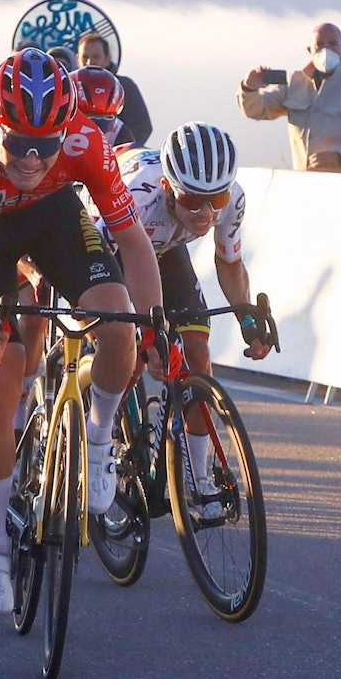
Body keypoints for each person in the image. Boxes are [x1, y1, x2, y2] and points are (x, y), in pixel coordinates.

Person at [0, 48, 164, 612]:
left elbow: (133, 240)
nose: (32, 159)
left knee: (120, 325)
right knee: (2, 381)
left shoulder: (84, 140)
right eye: (18, 144)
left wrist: (152, 324)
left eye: (46, 146)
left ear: (67, 131)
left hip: (54, 219)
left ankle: (99, 440)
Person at [88, 123, 273, 519]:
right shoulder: (140, 194)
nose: (207, 213)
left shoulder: (233, 199)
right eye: (194, 201)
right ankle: (102, 438)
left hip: (165, 247)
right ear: (170, 188)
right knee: (131, 359)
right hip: (114, 246)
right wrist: (142, 338)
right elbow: (109, 270)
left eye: (215, 200)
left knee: (197, 354)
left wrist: (248, 321)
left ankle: (199, 480)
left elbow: (230, 263)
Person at [238, 22, 341, 174]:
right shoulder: (294, 84)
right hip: (308, 185)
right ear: (310, 50)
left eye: (332, 44)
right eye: (319, 45)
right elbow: (257, 110)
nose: (326, 50)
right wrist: (249, 88)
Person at [77, 32, 153, 145]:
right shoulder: (71, 87)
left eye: (96, 57)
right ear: (77, 58)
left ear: (107, 59)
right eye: (85, 57)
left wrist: (119, 151)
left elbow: (142, 127)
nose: (89, 62)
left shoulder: (125, 87)